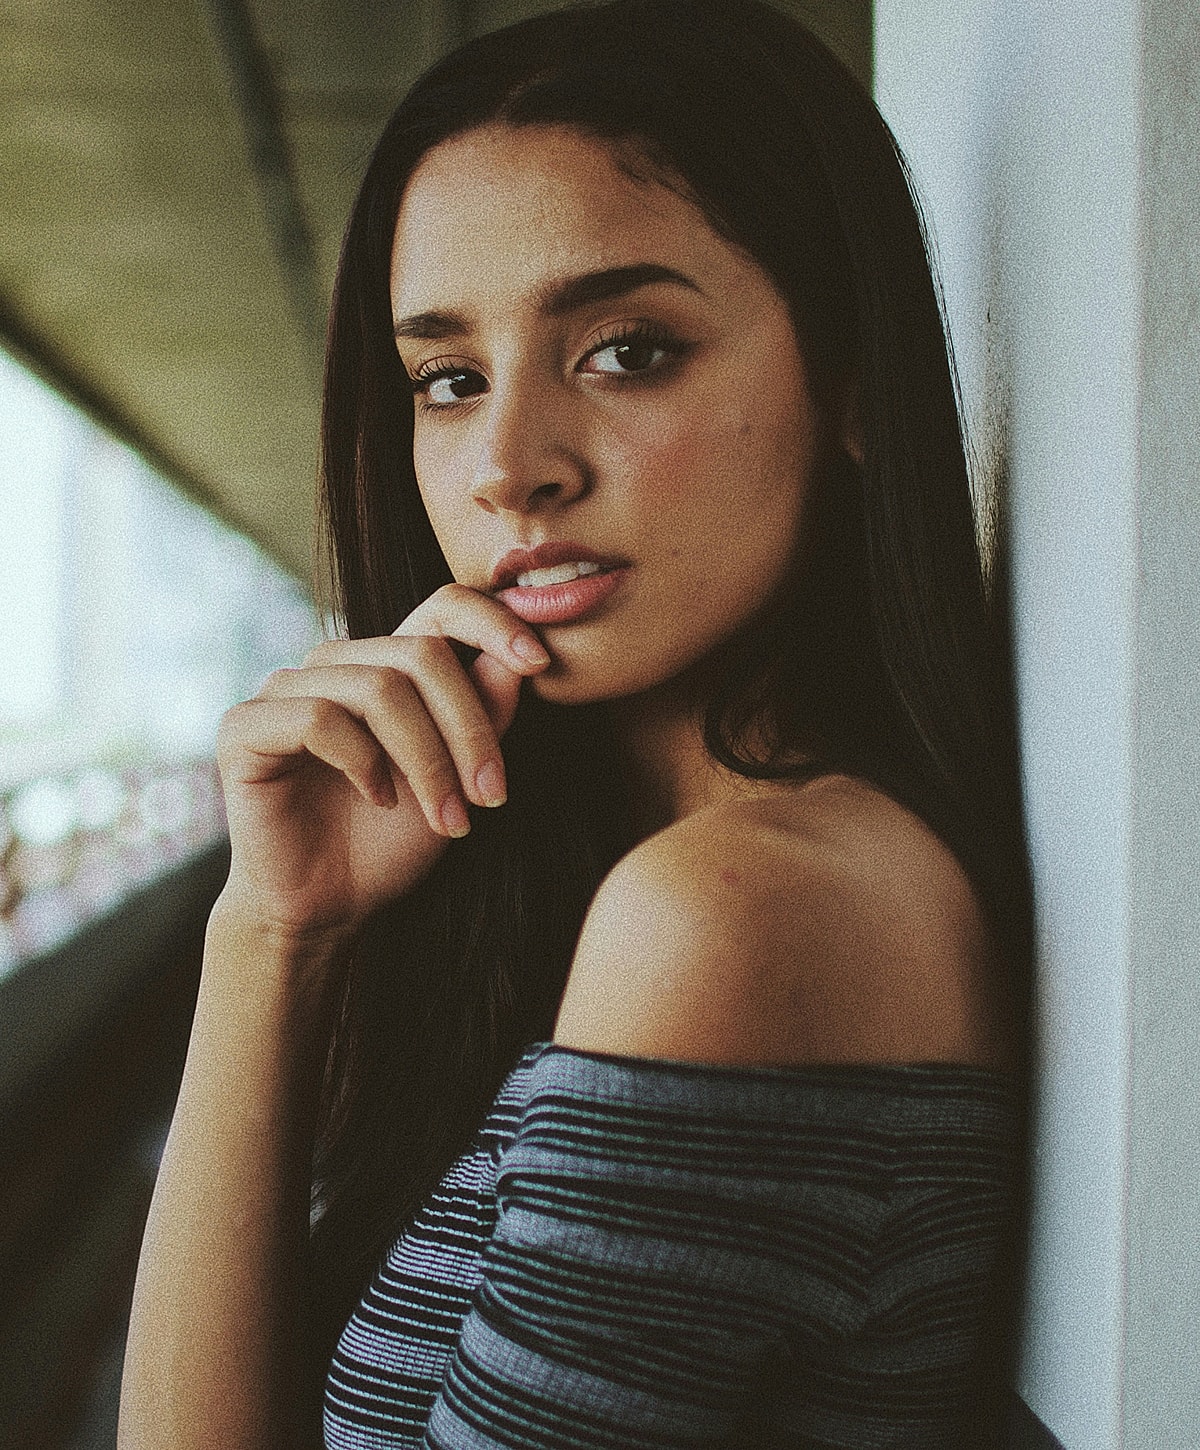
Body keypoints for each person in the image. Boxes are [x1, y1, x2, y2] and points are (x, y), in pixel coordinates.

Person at [118, 1, 1033, 1446]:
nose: (506, 466)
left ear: (850, 383)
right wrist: (274, 931)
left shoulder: (735, 914)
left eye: (626, 350)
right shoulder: (617, 879)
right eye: (449, 379)